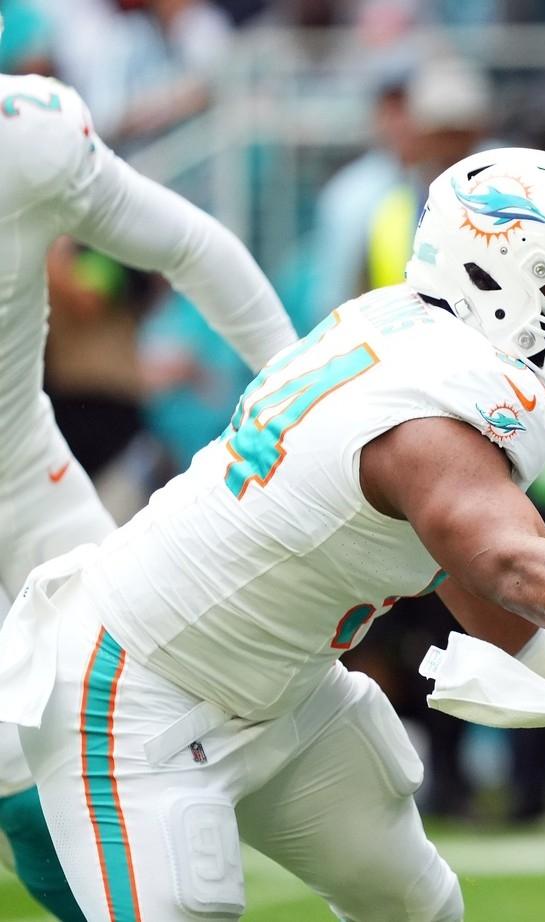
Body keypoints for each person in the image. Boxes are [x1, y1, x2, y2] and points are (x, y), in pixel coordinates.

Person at [0, 146, 545, 921]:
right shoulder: (443, 399)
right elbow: (499, 554)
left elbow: (455, 557)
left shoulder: (399, 327)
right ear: (499, 280)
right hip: (134, 695)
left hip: (287, 688)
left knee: (417, 906)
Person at [0, 63, 299, 920]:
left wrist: (299, 388)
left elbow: (191, 245)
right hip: (32, 467)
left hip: (26, 471)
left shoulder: (28, 136)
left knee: (123, 717)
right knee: (21, 783)